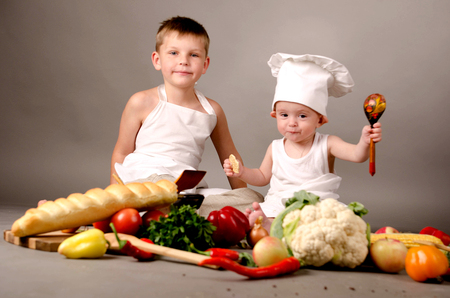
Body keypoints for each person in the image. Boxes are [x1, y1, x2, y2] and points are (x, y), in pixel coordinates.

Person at [110, 16, 263, 215]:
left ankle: (173, 212)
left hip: (186, 189)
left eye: (194, 55)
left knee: (252, 199)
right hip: (145, 181)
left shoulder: (212, 111)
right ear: (157, 60)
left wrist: (243, 196)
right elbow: (121, 153)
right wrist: (113, 200)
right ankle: (163, 208)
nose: (183, 61)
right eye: (173, 53)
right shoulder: (142, 102)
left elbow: (230, 158)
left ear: (205, 64)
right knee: (162, 186)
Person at [223, 53, 382, 231]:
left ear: (320, 120)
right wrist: (242, 172)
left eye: (302, 115)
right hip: (281, 203)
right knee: (270, 214)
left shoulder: (328, 144)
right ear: (274, 115)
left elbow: (357, 155)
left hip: (317, 206)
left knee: (338, 224)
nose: (292, 123)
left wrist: (365, 141)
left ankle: (280, 228)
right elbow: (262, 177)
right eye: (284, 115)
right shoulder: (275, 148)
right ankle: (268, 224)